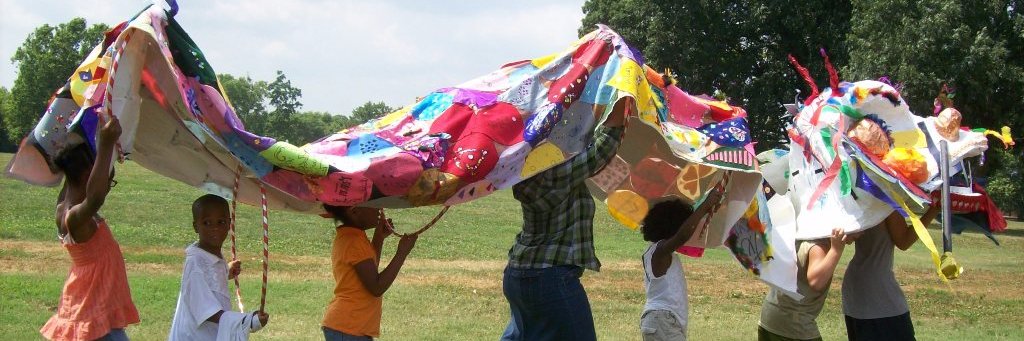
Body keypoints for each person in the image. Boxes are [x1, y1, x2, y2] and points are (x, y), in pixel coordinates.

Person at [501, 99, 627, 340]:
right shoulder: (552, 174)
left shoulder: (526, 171)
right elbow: (603, 149)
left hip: (519, 275)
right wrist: (624, 91)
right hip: (550, 278)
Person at [40, 115, 140, 341]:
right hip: (93, 317)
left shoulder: (65, 204)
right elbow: (95, 197)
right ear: (88, 176)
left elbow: (87, 183)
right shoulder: (75, 217)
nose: (107, 185)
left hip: (90, 309)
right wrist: (104, 144)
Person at [168, 194, 269, 340]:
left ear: (229, 224)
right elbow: (207, 311)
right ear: (196, 226)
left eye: (220, 222)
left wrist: (225, 271)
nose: (214, 228)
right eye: (207, 223)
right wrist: (247, 322)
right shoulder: (195, 265)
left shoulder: (210, 257)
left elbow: (209, 280)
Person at [842, 203, 941, 341]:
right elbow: (904, 241)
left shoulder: (860, 198)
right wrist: (934, 210)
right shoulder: (885, 202)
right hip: (877, 288)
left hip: (855, 287)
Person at [321, 205, 418, 341]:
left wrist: (379, 238)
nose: (380, 208)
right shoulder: (354, 241)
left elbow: (369, 269)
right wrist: (402, 253)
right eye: (373, 204)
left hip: (348, 326)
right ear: (354, 211)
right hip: (349, 327)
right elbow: (376, 287)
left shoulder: (350, 236)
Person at [639, 190, 723, 341]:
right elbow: (683, 235)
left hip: (661, 321)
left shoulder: (657, 252)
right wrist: (704, 206)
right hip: (663, 320)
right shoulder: (660, 252)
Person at [758, 227, 856, 341]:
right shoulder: (819, 245)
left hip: (771, 314)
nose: (862, 232)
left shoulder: (804, 234)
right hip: (793, 324)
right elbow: (816, 282)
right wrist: (836, 250)